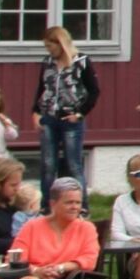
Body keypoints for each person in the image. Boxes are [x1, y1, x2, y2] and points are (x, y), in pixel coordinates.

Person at [32, 26, 98, 198]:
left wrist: (80, 113)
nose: (48, 50)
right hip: (49, 118)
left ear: (60, 44)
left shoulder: (81, 62)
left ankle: (81, 205)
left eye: (50, 46)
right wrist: (36, 111)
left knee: (73, 164)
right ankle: (47, 205)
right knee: (48, 164)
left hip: (71, 120)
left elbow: (94, 91)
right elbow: (42, 88)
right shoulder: (47, 63)